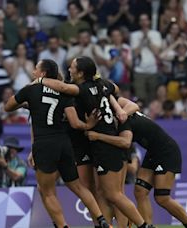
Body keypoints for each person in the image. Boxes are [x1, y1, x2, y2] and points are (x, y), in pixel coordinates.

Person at [36, 57, 151, 228]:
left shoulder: (80, 89)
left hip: (104, 143)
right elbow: (116, 89)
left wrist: (40, 80)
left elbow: (63, 88)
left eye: (73, 67)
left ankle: (143, 226)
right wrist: (118, 109)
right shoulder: (103, 85)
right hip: (104, 142)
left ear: (81, 73)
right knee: (106, 192)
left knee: (113, 194)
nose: (69, 69)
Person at [4, 59, 109, 228]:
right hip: (64, 142)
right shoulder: (63, 92)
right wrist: (88, 125)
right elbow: (75, 123)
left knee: (46, 191)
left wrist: (26, 103)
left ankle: (62, 226)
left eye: (36, 69)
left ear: (43, 74)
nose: (33, 73)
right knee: (77, 186)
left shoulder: (31, 89)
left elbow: (7, 107)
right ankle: (101, 219)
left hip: (44, 144)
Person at [85, 105, 187, 228]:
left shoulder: (123, 119)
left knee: (162, 197)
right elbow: (133, 106)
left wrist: (98, 136)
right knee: (140, 191)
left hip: (167, 152)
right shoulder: (120, 112)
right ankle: (148, 226)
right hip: (152, 152)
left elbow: (126, 142)